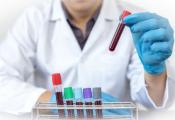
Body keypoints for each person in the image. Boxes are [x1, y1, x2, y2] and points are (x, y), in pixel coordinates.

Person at [0, 0, 174, 115]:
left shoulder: (137, 21)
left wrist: (155, 71)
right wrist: (57, 102)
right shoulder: (33, 19)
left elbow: (156, 101)